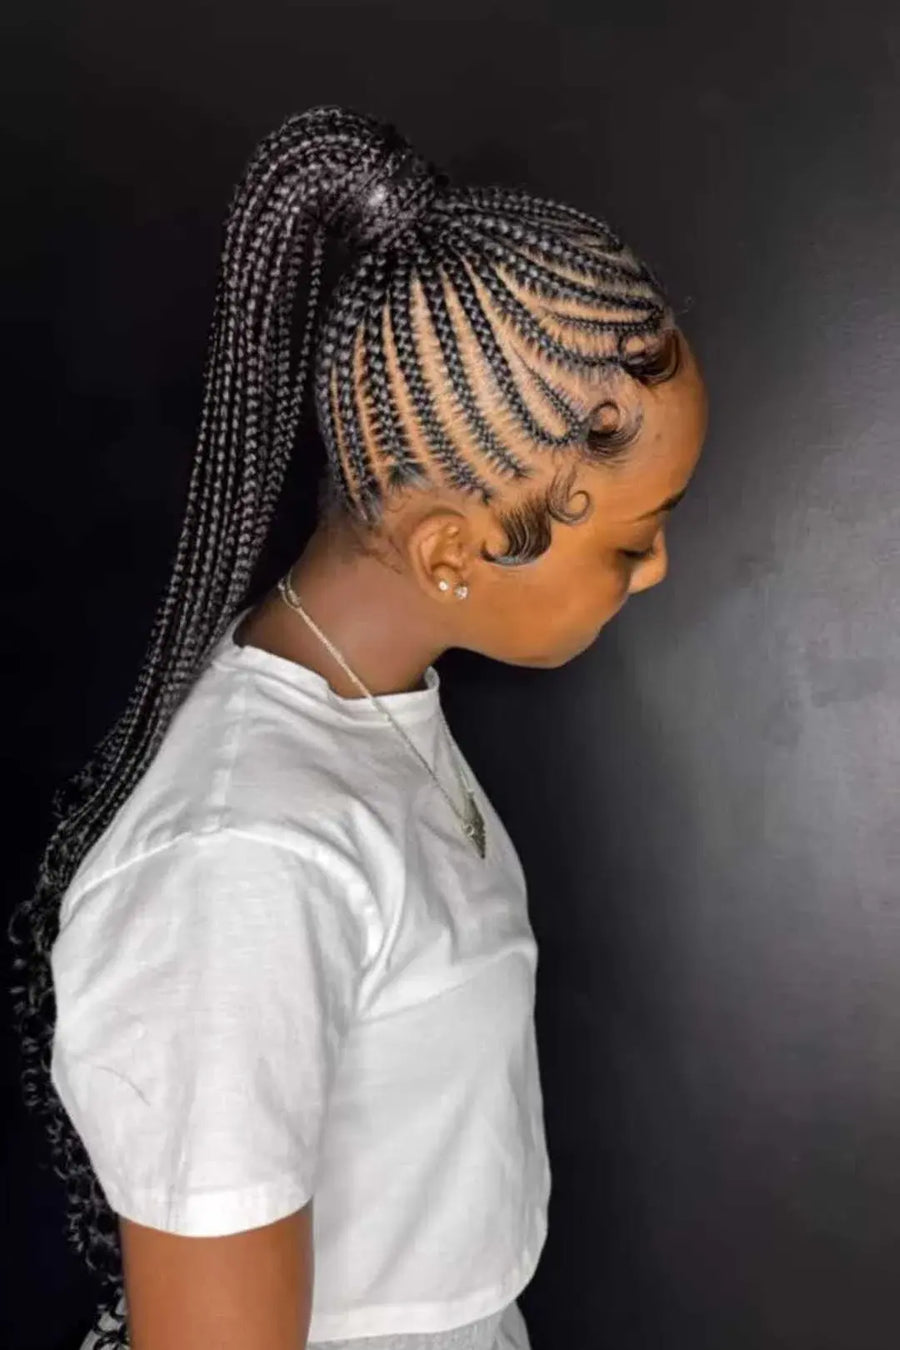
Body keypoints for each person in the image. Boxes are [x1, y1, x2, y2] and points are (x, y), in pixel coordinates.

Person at [8, 105, 707, 1350]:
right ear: (450, 554)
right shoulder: (246, 862)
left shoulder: (364, 714)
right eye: (632, 539)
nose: (656, 571)